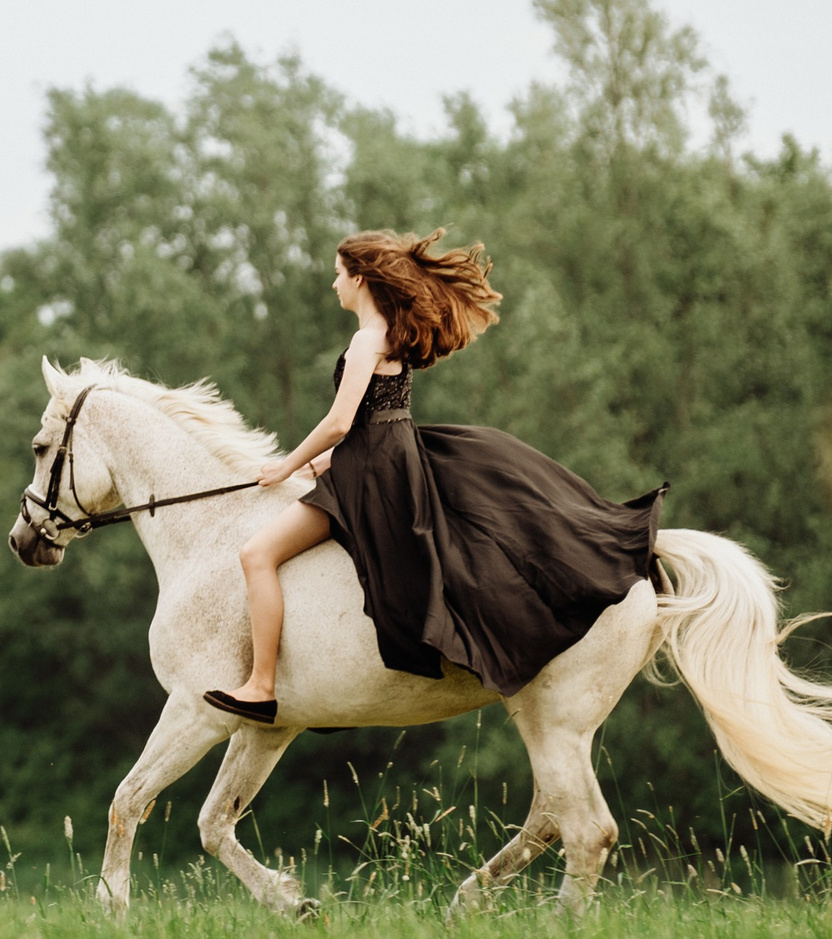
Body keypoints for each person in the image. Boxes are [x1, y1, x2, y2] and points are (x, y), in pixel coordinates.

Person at [203, 229, 665, 723]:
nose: (333, 283)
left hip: (372, 475)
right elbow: (379, 419)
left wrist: (287, 464)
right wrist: (328, 461)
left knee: (256, 554)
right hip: (389, 458)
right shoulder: (392, 335)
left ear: (360, 277)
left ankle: (261, 685)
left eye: (338, 273)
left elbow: (341, 421)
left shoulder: (366, 340)